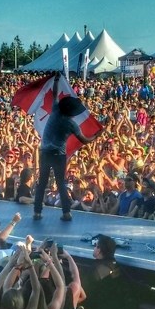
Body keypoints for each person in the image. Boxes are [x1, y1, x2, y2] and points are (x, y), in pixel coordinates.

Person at [32, 72, 102, 222]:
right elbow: (85, 140)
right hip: (59, 155)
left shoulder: (56, 109)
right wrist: (96, 135)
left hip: (45, 153)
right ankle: (66, 213)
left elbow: (56, 94)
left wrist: (57, 81)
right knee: (60, 183)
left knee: (42, 182)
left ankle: (37, 212)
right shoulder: (71, 124)